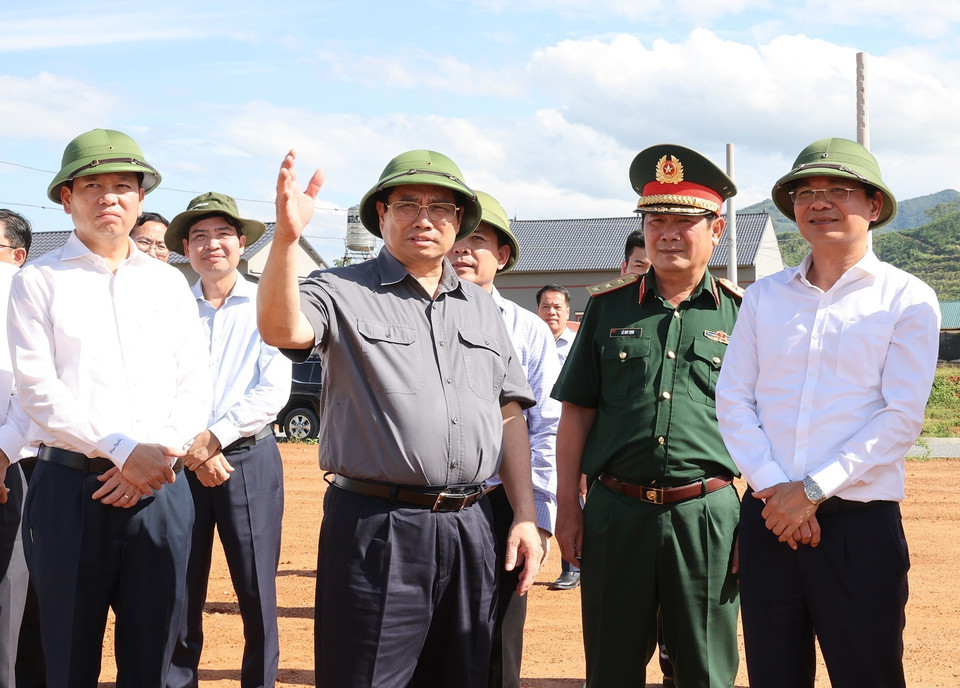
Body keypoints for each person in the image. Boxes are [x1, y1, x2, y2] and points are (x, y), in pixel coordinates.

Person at [257, 149, 543, 687]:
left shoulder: (482, 307)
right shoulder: (340, 289)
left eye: (441, 208)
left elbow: (509, 415)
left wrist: (524, 514)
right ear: (381, 215)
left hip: (471, 525)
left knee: (465, 673)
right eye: (407, 204)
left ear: (460, 223)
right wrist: (286, 240)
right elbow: (281, 329)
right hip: (378, 527)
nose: (424, 218)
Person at [716, 137, 941, 688]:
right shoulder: (765, 296)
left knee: (868, 673)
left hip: (858, 529)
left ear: (873, 205)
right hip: (769, 521)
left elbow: (901, 415)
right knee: (775, 674)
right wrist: (775, 489)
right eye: (806, 193)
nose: (819, 203)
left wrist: (811, 490)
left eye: (839, 190)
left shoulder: (907, 298)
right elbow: (734, 400)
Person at [8, 129, 211, 687]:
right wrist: (124, 452)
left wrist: (156, 457)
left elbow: (194, 382)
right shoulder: (38, 282)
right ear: (66, 198)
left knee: (158, 657)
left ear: (141, 199)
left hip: (161, 493)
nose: (108, 198)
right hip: (70, 492)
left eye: (123, 185)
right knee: (67, 656)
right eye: (91, 185)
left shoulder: (170, 284)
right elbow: (38, 392)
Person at [553, 143, 742, 687]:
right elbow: (577, 415)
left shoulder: (746, 314)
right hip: (616, 512)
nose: (668, 233)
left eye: (685, 221)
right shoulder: (608, 309)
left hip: (707, 514)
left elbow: (769, 421)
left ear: (717, 229)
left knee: (705, 670)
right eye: (657, 219)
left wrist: (748, 514)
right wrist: (569, 508)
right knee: (611, 668)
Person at [165, 193, 292, 688]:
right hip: (180, 466)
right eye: (198, 235)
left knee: (257, 589)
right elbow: (161, 383)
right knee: (179, 586)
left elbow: (273, 389)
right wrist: (193, 451)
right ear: (186, 249)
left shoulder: (270, 301)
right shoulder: (172, 308)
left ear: (241, 243)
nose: (210, 244)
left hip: (249, 460)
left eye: (221, 233)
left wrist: (212, 440)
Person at [448, 190, 560, 688]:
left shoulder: (528, 331)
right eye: (458, 239)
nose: (463, 251)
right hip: (426, 505)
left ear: (504, 255)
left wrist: (536, 516)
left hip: (499, 503)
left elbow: (548, 427)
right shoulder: (413, 315)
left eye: (479, 240)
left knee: (497, 644)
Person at [0, 210, 32, 688]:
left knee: (10, 594)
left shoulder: (23, 304)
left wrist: (2, 456)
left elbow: (33, 396)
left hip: (13, 470)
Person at [535, 284, 584, 592]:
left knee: (574, 492)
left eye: (557, 307)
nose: (551, 312)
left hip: (572, 430)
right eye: (545, 306)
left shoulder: (578, 345)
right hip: (538, 430)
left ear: (568, 312)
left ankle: (574, 566)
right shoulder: (528, 340)